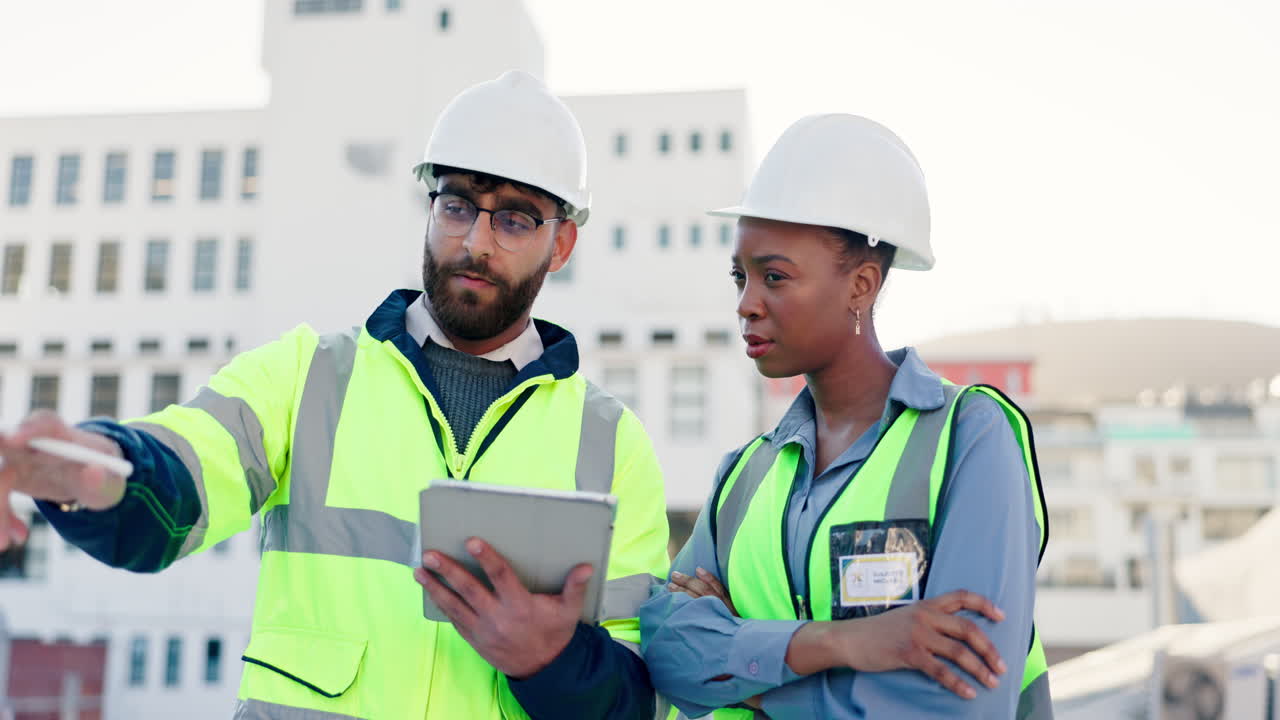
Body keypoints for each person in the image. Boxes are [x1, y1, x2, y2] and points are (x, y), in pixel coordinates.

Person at [0, 70, 670, 720]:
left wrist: (551, 660)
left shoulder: (611, 443)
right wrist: (85, 469)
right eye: (457, 205)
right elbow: (177, 481)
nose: (475, 241)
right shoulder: (309, 376)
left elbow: (642, 696)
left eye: (516, 220)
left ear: (562, 244)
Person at [639, 113, 1051, 719]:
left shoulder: (970, 439)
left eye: (774, 277)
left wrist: (743, 674)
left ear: (860, 285)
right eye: (740, 276)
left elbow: (957, 705)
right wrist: (838, 644)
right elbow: (666, 653)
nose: (746, 304)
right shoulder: (745, 476)